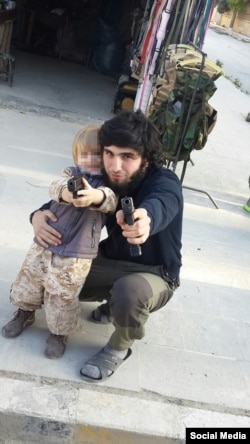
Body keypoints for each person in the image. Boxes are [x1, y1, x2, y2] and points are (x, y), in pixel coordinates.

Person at [22, 109, 183, 383]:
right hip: (110, 260)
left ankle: (119, 348)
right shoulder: (107, 177)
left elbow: (163, 202)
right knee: (58, 275)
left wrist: (146, 220)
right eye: (109, 153)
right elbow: (67, 203)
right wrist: (37, 216)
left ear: (146, 159)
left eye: (127, 156)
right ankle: (111, 303)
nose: (115, 165)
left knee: (130, 292)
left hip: (155, 273)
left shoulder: (164, 181)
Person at [1, 125, 117, 359]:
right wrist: (68, 193)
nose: (91, 159)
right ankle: (25, 312)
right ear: (76, 155)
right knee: (29, 279)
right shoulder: (70, 173)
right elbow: (56, 186)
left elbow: (110, 201)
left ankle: (58, 332)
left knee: (63, 294)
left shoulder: (108, 186)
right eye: (85, 154)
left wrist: (95, 196)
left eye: (97, 154)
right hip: (44, 244)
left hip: (77, 253)